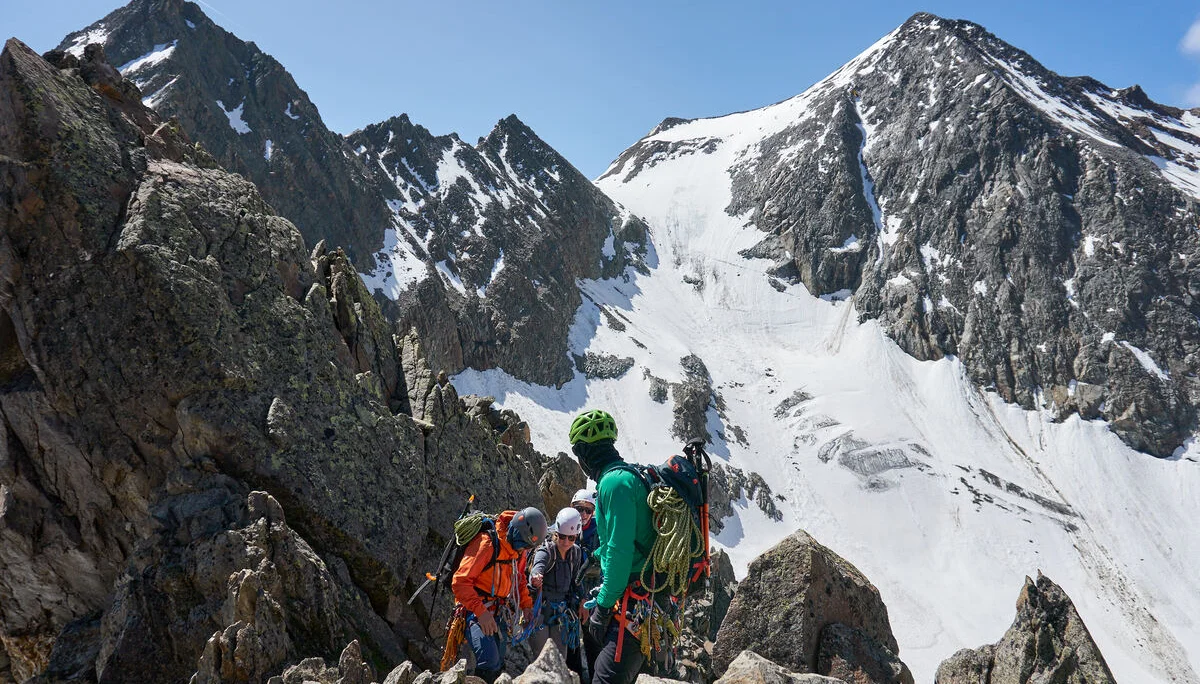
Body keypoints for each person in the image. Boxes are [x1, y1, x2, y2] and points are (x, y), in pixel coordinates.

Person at [569, 410, 658, 684]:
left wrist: (603, 609)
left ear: (584, 453)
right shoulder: (625, 477)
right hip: (643, 597)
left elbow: (620, 557)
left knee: (604, 680)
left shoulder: (614, 484)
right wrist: (595, 556)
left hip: (633, 601)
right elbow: (616, 543)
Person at [451, 506, 546, 683]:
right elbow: (460, 582)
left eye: (527, 547)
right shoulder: (486, 544)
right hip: (474, 610)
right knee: (489, 662)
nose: (522, 550)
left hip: (497, 611)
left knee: (498, 663)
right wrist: (481, 612)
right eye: (522, 545)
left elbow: (519, 579)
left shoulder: (519, 552)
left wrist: (526, 605)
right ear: (516, 532)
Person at [528, 507, 587, 663]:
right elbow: (537, 568)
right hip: (540, 611)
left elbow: (576, 580)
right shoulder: (546, 551)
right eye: (561, 536)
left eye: (571, 538)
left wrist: (583, 599)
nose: (566, 542)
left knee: (560, 659)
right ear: (555, 533)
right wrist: (535, 578)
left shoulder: (576, 552)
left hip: (561, 611)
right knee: (541, 659)